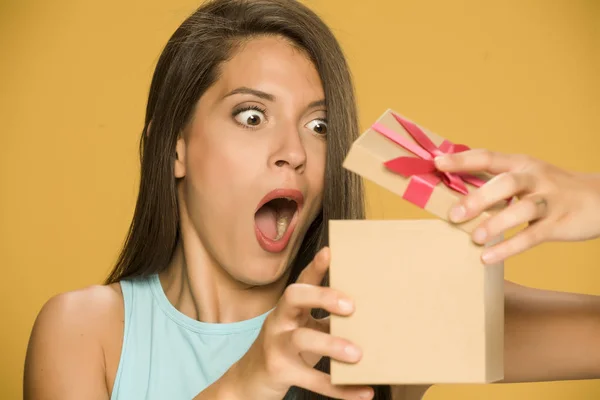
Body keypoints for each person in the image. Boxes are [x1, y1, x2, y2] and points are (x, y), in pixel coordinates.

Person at [22, 0, 600, 399]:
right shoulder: (86, 332)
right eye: (252, 116)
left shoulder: (377, 311)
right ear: (172, 148)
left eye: (319, 126)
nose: (294, 152)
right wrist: (243, 386)